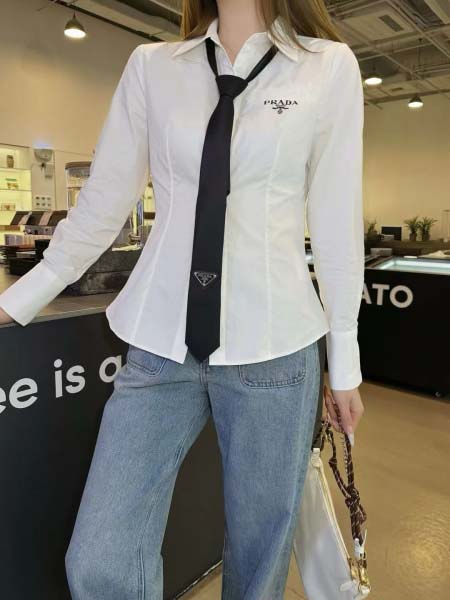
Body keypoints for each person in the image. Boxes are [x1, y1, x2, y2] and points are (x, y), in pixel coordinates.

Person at [0, 0, 366, 598]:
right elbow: (103, 203)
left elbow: (335, 220)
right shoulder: (153, 66)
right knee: (99, 555)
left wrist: (345, 364)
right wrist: (21, 297)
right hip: (160, 345)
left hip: (275, 349)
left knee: (259, 559)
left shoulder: (327, 66)